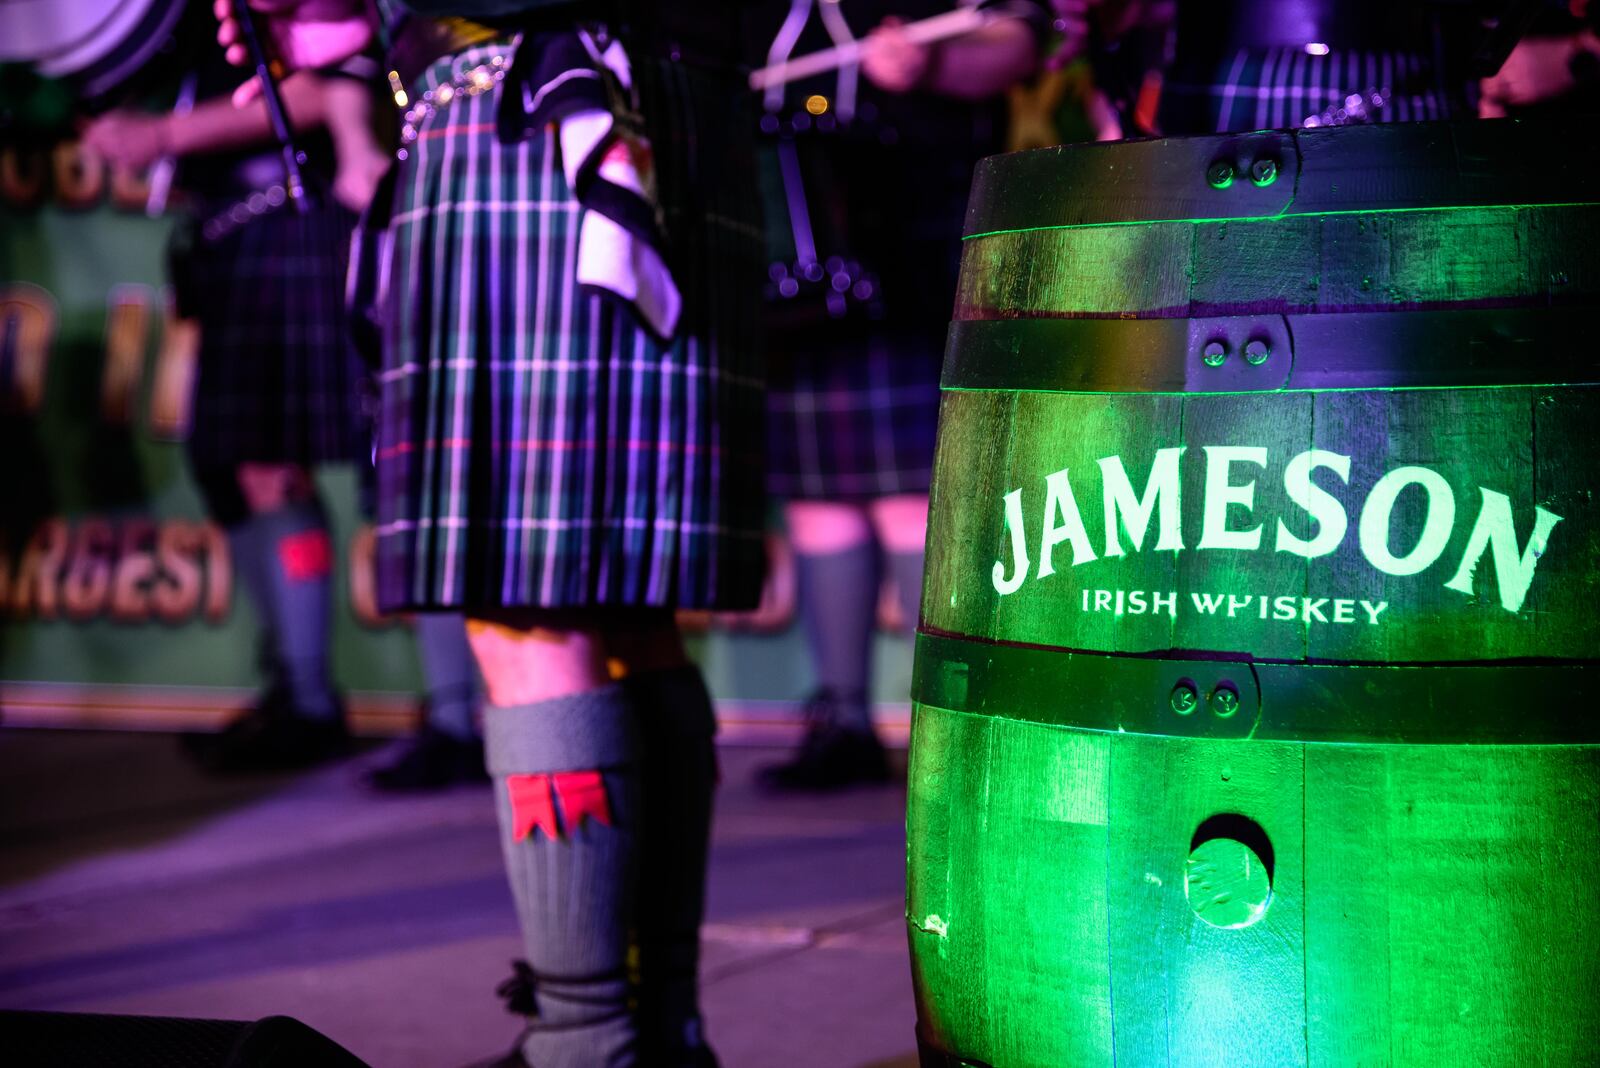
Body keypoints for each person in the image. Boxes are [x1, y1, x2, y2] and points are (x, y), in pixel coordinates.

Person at [218, 1, 764, 1063]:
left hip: (532, 127)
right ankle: (658, 1032)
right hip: (672, 117)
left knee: (528, 613)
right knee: (627, 608)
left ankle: (586, 1045)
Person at [83, 11, 389, 772]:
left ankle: (396, 712)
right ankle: (298, 690)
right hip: (230, 230)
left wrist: (164, 140)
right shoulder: (163, 21)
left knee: (303, 467)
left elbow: (332, 86)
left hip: (294, 216)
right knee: (240, 468)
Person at [751, 0, 1044, 791]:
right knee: (819, 505)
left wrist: (933, 64)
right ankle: (842, 720)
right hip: (797, 264)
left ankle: (944, 730)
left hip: (914, 237)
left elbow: (1018, 34)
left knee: (910, 500)